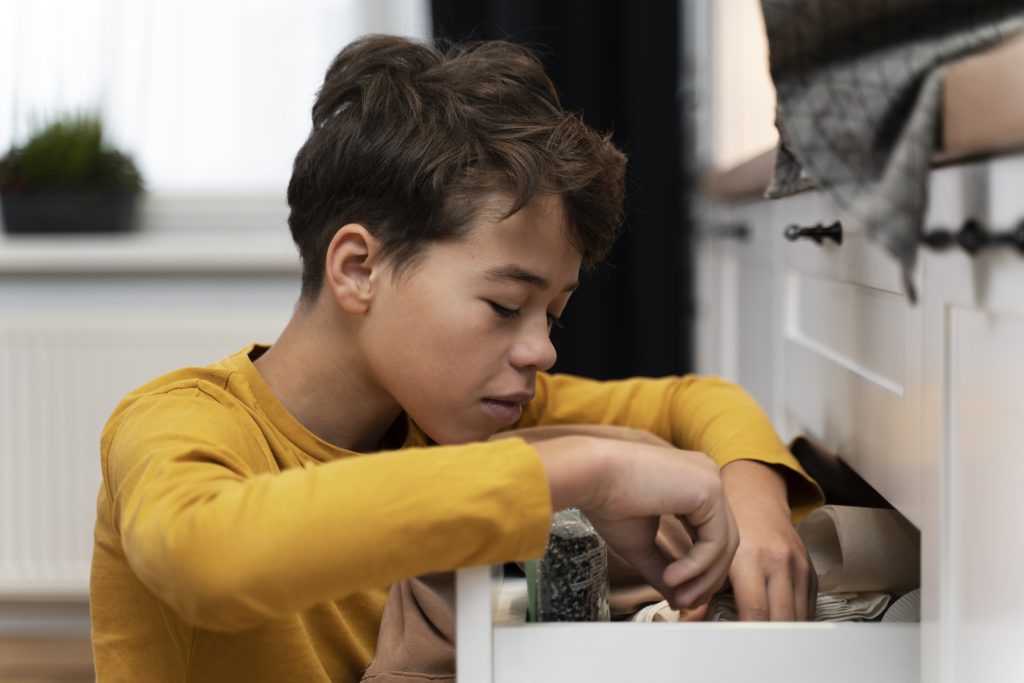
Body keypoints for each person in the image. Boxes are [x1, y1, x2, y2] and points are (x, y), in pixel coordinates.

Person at [90, 34, 823, 682]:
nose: (539, 348)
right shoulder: (175, 421)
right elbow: (209, 558)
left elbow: (693, 401)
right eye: (506, 306)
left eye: (553, 315)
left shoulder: (452, 410)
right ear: (357, 269)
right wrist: (588, 468)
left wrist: (758, 509)